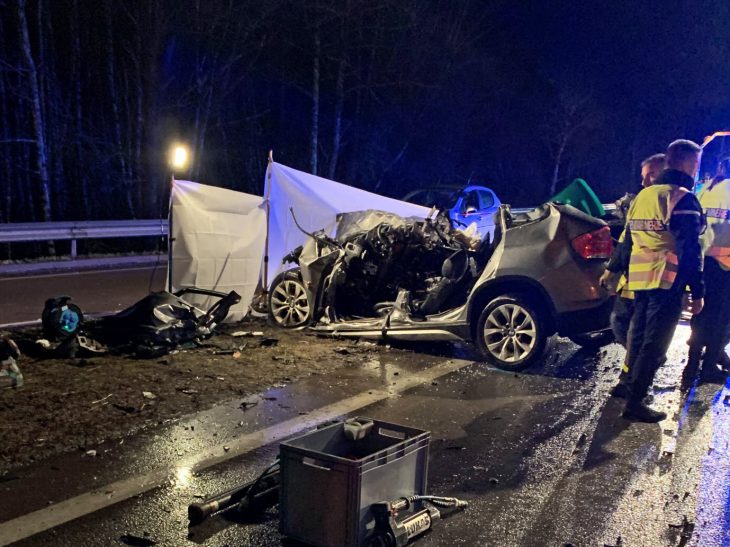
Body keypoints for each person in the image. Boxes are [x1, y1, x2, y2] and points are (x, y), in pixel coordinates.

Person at [620, 139, 705, 422]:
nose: (697, 170)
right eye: (696, 164)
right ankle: (634, 402)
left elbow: (630, 242)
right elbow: (691, 250)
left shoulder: (642, 198)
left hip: (640, 278)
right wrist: (698, 290)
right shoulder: (682, 198)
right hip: (667, 281)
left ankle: (633, 390)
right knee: (654, 345)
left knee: (640, 337)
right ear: (685, 164)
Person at [601, 153, 667, 348]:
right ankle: (639, 360)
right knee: (620, 321)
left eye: (651, 175)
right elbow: (626, 239)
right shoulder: (641, 200)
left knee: (641, 328)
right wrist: (611, 269)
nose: (644, 181)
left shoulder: (671, 201)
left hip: (658, 279)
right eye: (643, 175)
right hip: (635, 275)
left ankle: (642, 363)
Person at [682, 157, 730, 389]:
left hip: (702, 261)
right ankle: (709, 366)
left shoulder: (705, 190)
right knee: (721, 319)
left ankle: (691, 366)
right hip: (725, 264)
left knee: (701, 314)